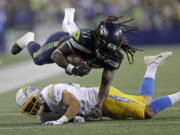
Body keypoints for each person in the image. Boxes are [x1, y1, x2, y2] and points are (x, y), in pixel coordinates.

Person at [12, 8, 141, 117]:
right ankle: (28, 39)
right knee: (38, 59)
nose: (108, 52)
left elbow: (106, 82)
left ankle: (69, 20)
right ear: (99, 39)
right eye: (105, 47)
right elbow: (56, 54)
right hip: (62, 42)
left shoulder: (115, 56)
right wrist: (71, 69)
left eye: (111, 49)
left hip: (82, 51)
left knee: (78, 57)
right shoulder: (83, 39)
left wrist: (99, 105)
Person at [16, 51, 180, 125]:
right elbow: (74, 114)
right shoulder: (43, 118)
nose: (33, 108)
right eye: (28, 108)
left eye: (32, 103)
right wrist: (75, 119)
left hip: (103, 99)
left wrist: (61, 121)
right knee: (145, 101)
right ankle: (152, 65)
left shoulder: (50, 92)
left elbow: (75, 105)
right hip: (101, 109)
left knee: (147, 111)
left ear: (37, 94)